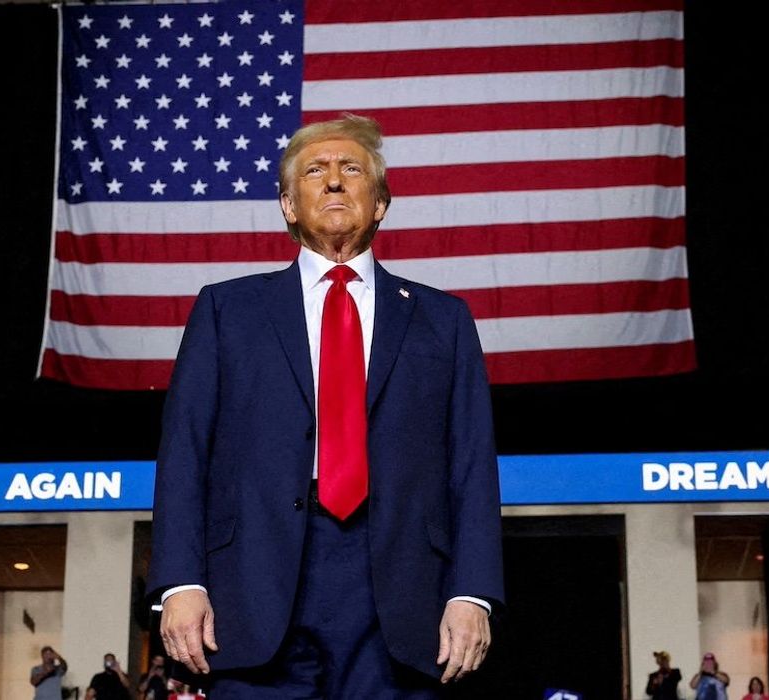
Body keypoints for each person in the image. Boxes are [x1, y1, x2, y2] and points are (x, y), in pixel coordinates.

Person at [149, 113, 505, 698]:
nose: (335, 181)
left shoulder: (444, 321)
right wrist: (180, 581)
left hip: (400, 587)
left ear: (381, 203)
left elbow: (471, 464)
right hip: (253, 582)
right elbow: (185, 451)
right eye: (315, 171)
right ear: (289, 206)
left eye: (352, 169)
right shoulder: (225, 310)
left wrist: (472, 593)